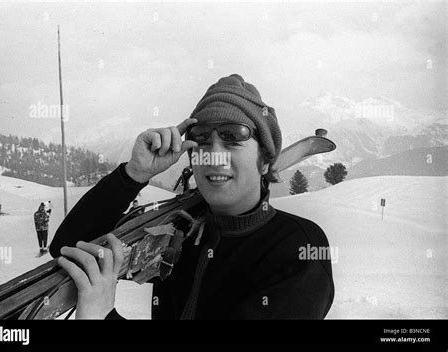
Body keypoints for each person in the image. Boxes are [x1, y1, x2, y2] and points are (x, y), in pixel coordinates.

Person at [50, 74, 334, 319]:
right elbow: (68, 248)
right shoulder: (180, 234)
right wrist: (132, 175)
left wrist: (104, 316)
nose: (214, 154)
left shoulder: (297, 248)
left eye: (233, 137)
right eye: (201, 140)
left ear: (264, 160)